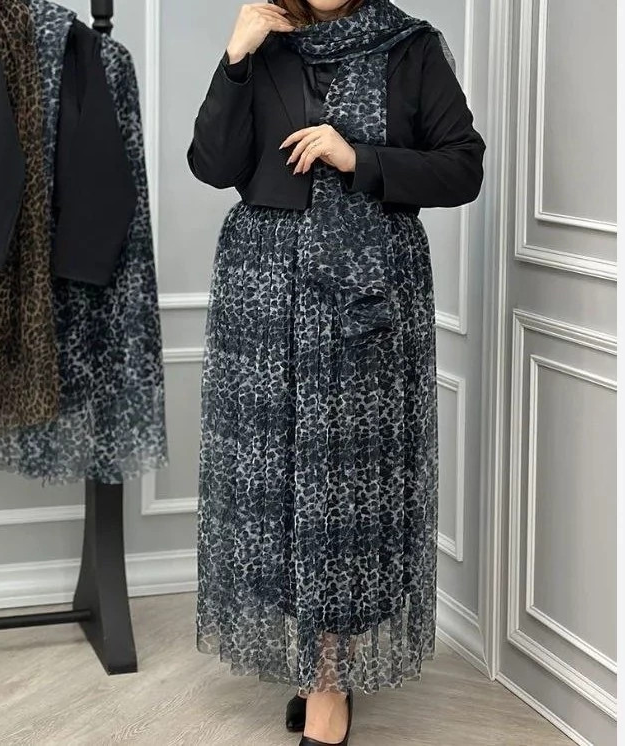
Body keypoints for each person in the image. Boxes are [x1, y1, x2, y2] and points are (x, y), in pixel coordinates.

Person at [187, 2, 486, 744]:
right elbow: (213, 165)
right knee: (275, 481)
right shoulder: (265, 43)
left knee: (344, 485)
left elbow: (463, 167)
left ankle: (328, 680)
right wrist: (235, 58)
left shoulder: (408, 46)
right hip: (263, 292)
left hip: (366, 295)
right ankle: (312, 660)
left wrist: (360, 159)